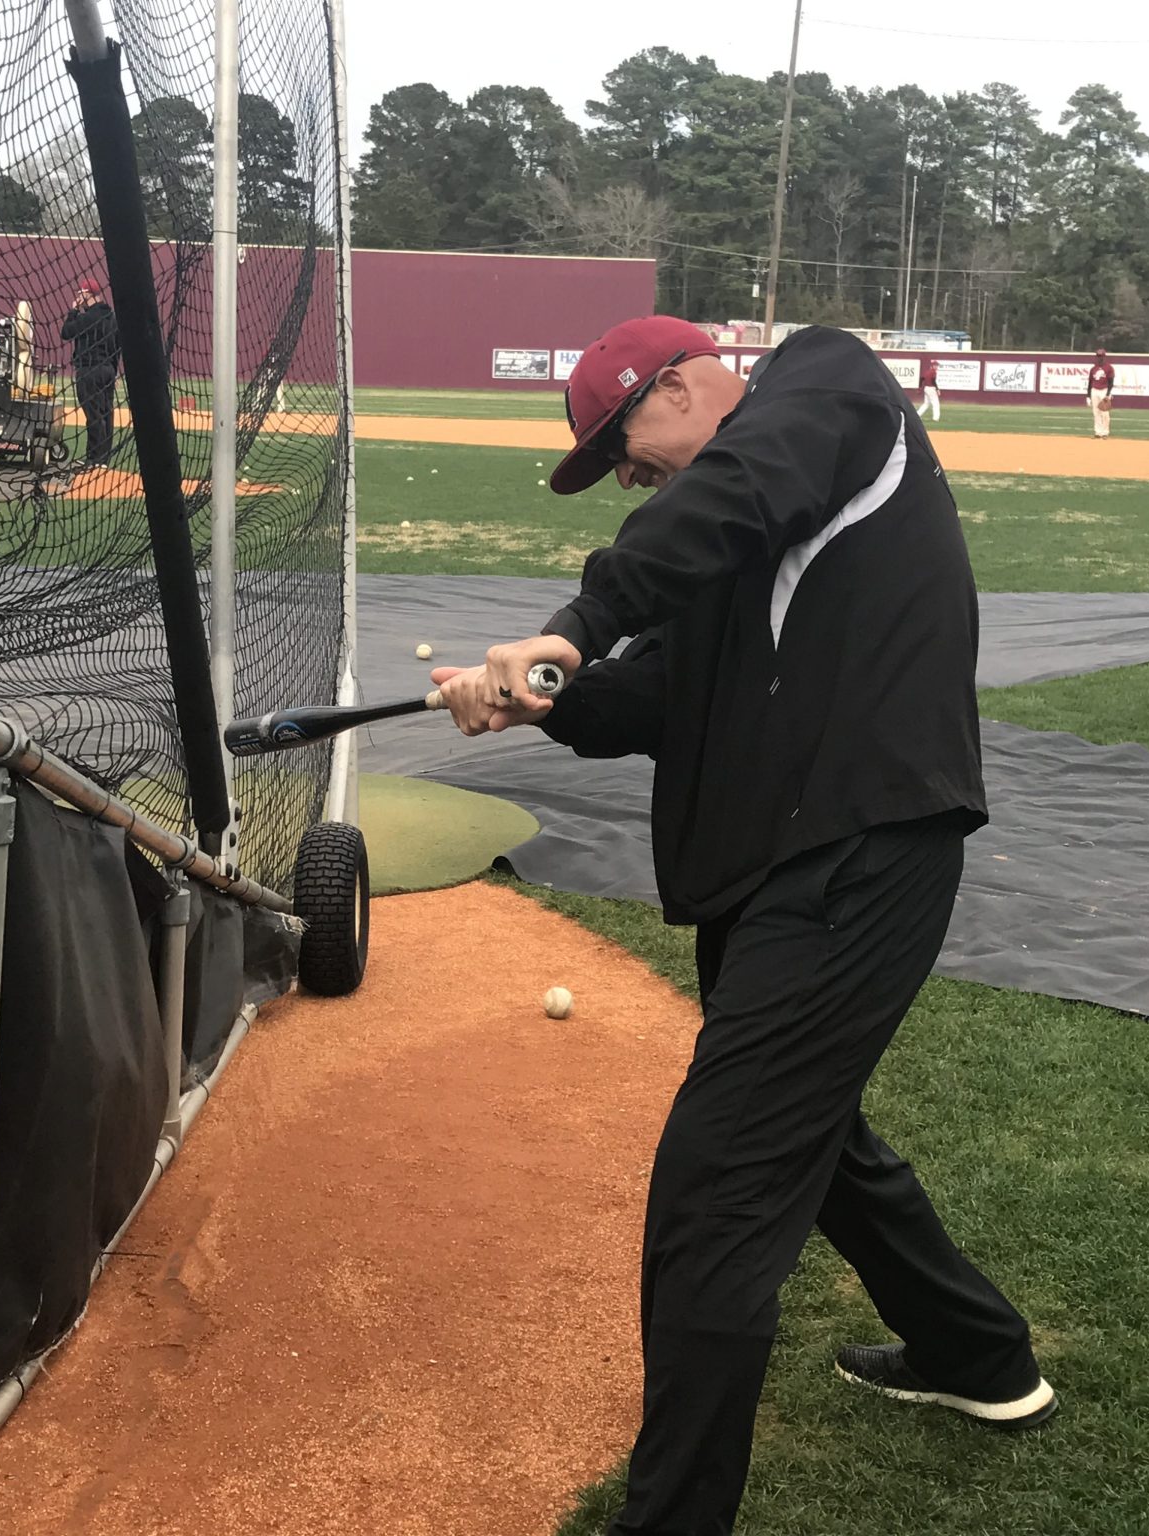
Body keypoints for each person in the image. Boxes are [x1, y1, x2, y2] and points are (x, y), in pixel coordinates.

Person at [433, 315, 1055, 1536]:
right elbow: (656, 698)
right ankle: (976, 1356)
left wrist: (575, 621)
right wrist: (544, 697)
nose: (624, 474)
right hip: (779, 879)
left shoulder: (822, 385)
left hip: (854, 856)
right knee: (814, 1146)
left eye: (622, 443)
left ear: (685, 383)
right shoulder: (733, 540)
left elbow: (726, 491)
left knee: (713, 1197)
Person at [61, 280, 121, 466]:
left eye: (81, 294)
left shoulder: (87, 318)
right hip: (108, 370)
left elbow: (66, 332)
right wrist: (114, 370)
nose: (79, 297)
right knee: (106, 413)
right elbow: (116, 347)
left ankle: (94, 458)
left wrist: (73, 312)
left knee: (93, 414)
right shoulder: (111, 317)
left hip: (89, 369)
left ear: (88, 294)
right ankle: (103, 458)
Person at [1085, 347, 1114, 438]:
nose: (1099, 358)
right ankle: (1098, 432)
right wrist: (1088, 396)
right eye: (1098, 356)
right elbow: (1090, 383)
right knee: (1096, 412)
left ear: (1104, 357)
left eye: (1101, 356)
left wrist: (1108, 394)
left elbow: (1111, 382)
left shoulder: (1109, 368)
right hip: (1094, 390)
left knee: (1105, 413)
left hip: (1104, 390)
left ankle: (1105, 432)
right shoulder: (1093, 368)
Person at [919, 354, 942, 421]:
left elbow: (921, 379)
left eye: (937, 365)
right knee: (936, 404)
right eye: (936, 365)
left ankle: (917, 415)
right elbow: (933, 381)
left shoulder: (927, 372)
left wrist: (920, 387)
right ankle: (936, 418)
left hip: (926, 388)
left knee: (926, 404)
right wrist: (937, 389)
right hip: (931, 388)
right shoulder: (933, 372)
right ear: (932, 366)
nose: (937, 366)